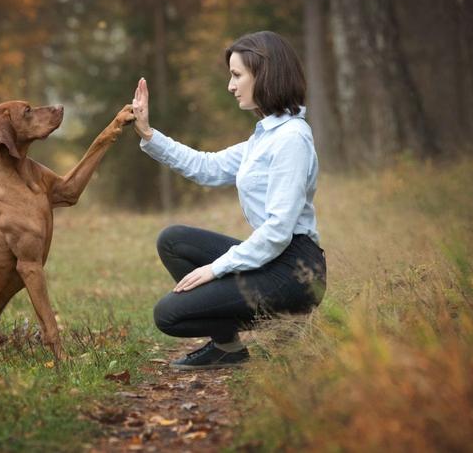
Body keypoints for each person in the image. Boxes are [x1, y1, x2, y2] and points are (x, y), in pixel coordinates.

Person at [130, 31, 326, 370]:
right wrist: (148, 134)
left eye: (237, 75)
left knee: (169, 316)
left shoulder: (292, 139)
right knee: (174, 241)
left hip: (297, 271)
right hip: (275, 260)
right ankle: (228, 349)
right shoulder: (265, 137)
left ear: (263, 74)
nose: (230, 85)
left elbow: (279, 230)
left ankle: (288, 319)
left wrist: (216, 268)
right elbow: (206, 167)